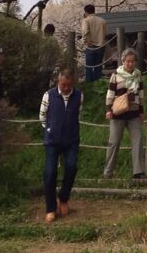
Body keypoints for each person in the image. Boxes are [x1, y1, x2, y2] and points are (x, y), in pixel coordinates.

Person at [39, 68, 83, 223]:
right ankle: (50, 208)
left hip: (71, 139)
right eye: (63, 85)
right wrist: (51, 129)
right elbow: (42, 116)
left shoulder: (79, 95)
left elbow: (78, 114)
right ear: (58, 82)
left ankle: (63, 198)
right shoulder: (48, 95)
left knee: (71, 167)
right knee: (50, 172)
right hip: (52, 140)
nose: (66, 88)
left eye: (69, 85)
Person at [103, 48, 145, 179]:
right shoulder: (116, 75)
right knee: (114, 142)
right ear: (123, 61)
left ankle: (138, 172)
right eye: (128, 61)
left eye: (132, 61)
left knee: (138, 141)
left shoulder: (138, 74)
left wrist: (141, 110)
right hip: (118, 113)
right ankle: (108, 172)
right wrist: (108, 109)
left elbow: (141, 93)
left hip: (134, 112)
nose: (130, 64)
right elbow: (110, 93)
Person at [80, 4, 107, 82]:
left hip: (90, 46)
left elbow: (85, 32)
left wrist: (84, 41)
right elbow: (105, 34)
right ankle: (98, 83)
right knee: (98, 67)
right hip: (101, 46)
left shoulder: (86, 20)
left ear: (86, 12)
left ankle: (89, 84)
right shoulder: (103, 21)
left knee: (89, 67)